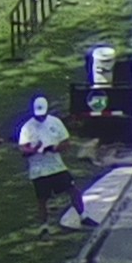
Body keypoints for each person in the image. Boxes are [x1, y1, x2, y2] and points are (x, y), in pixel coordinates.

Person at [16, 95, 82, 227]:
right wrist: (34, 149)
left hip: (56, 166)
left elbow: (66, 142)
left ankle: (82, 215)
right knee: (42, 199)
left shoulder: (55, 122)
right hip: (39, 170)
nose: (40, 117)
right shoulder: (27, 127)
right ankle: (44, 226)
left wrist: (55, 148)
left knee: (72, 189)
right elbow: (23, 148)